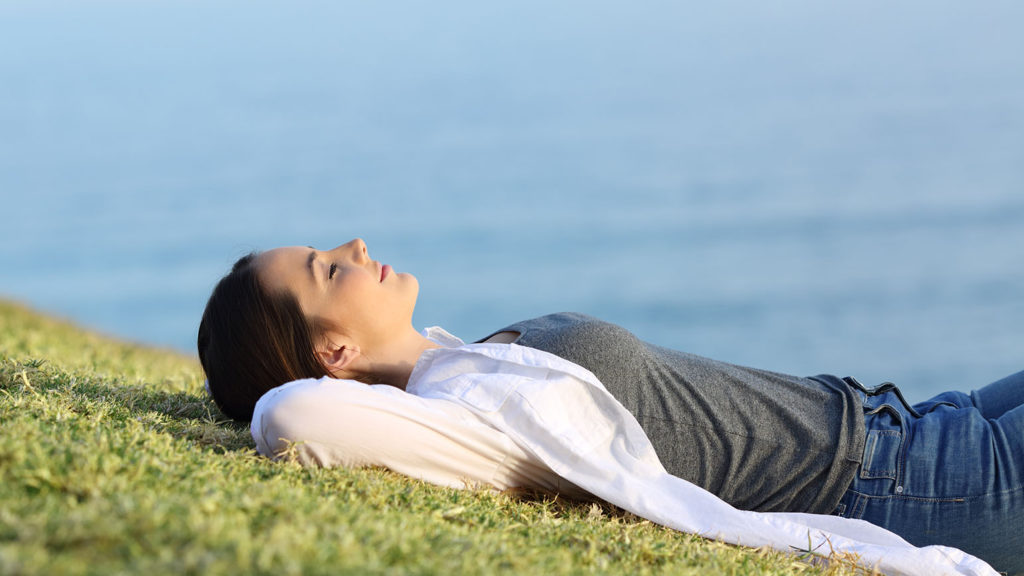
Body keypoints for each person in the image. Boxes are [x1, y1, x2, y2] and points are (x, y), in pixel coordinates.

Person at [198, 239, 1020, 575]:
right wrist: (280, 389)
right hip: (919, 488)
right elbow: (292, 417)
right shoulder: (458, 419)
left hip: (913, 423)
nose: (355, 247)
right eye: (327, 271)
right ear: (330, 355)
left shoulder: (465, 359)